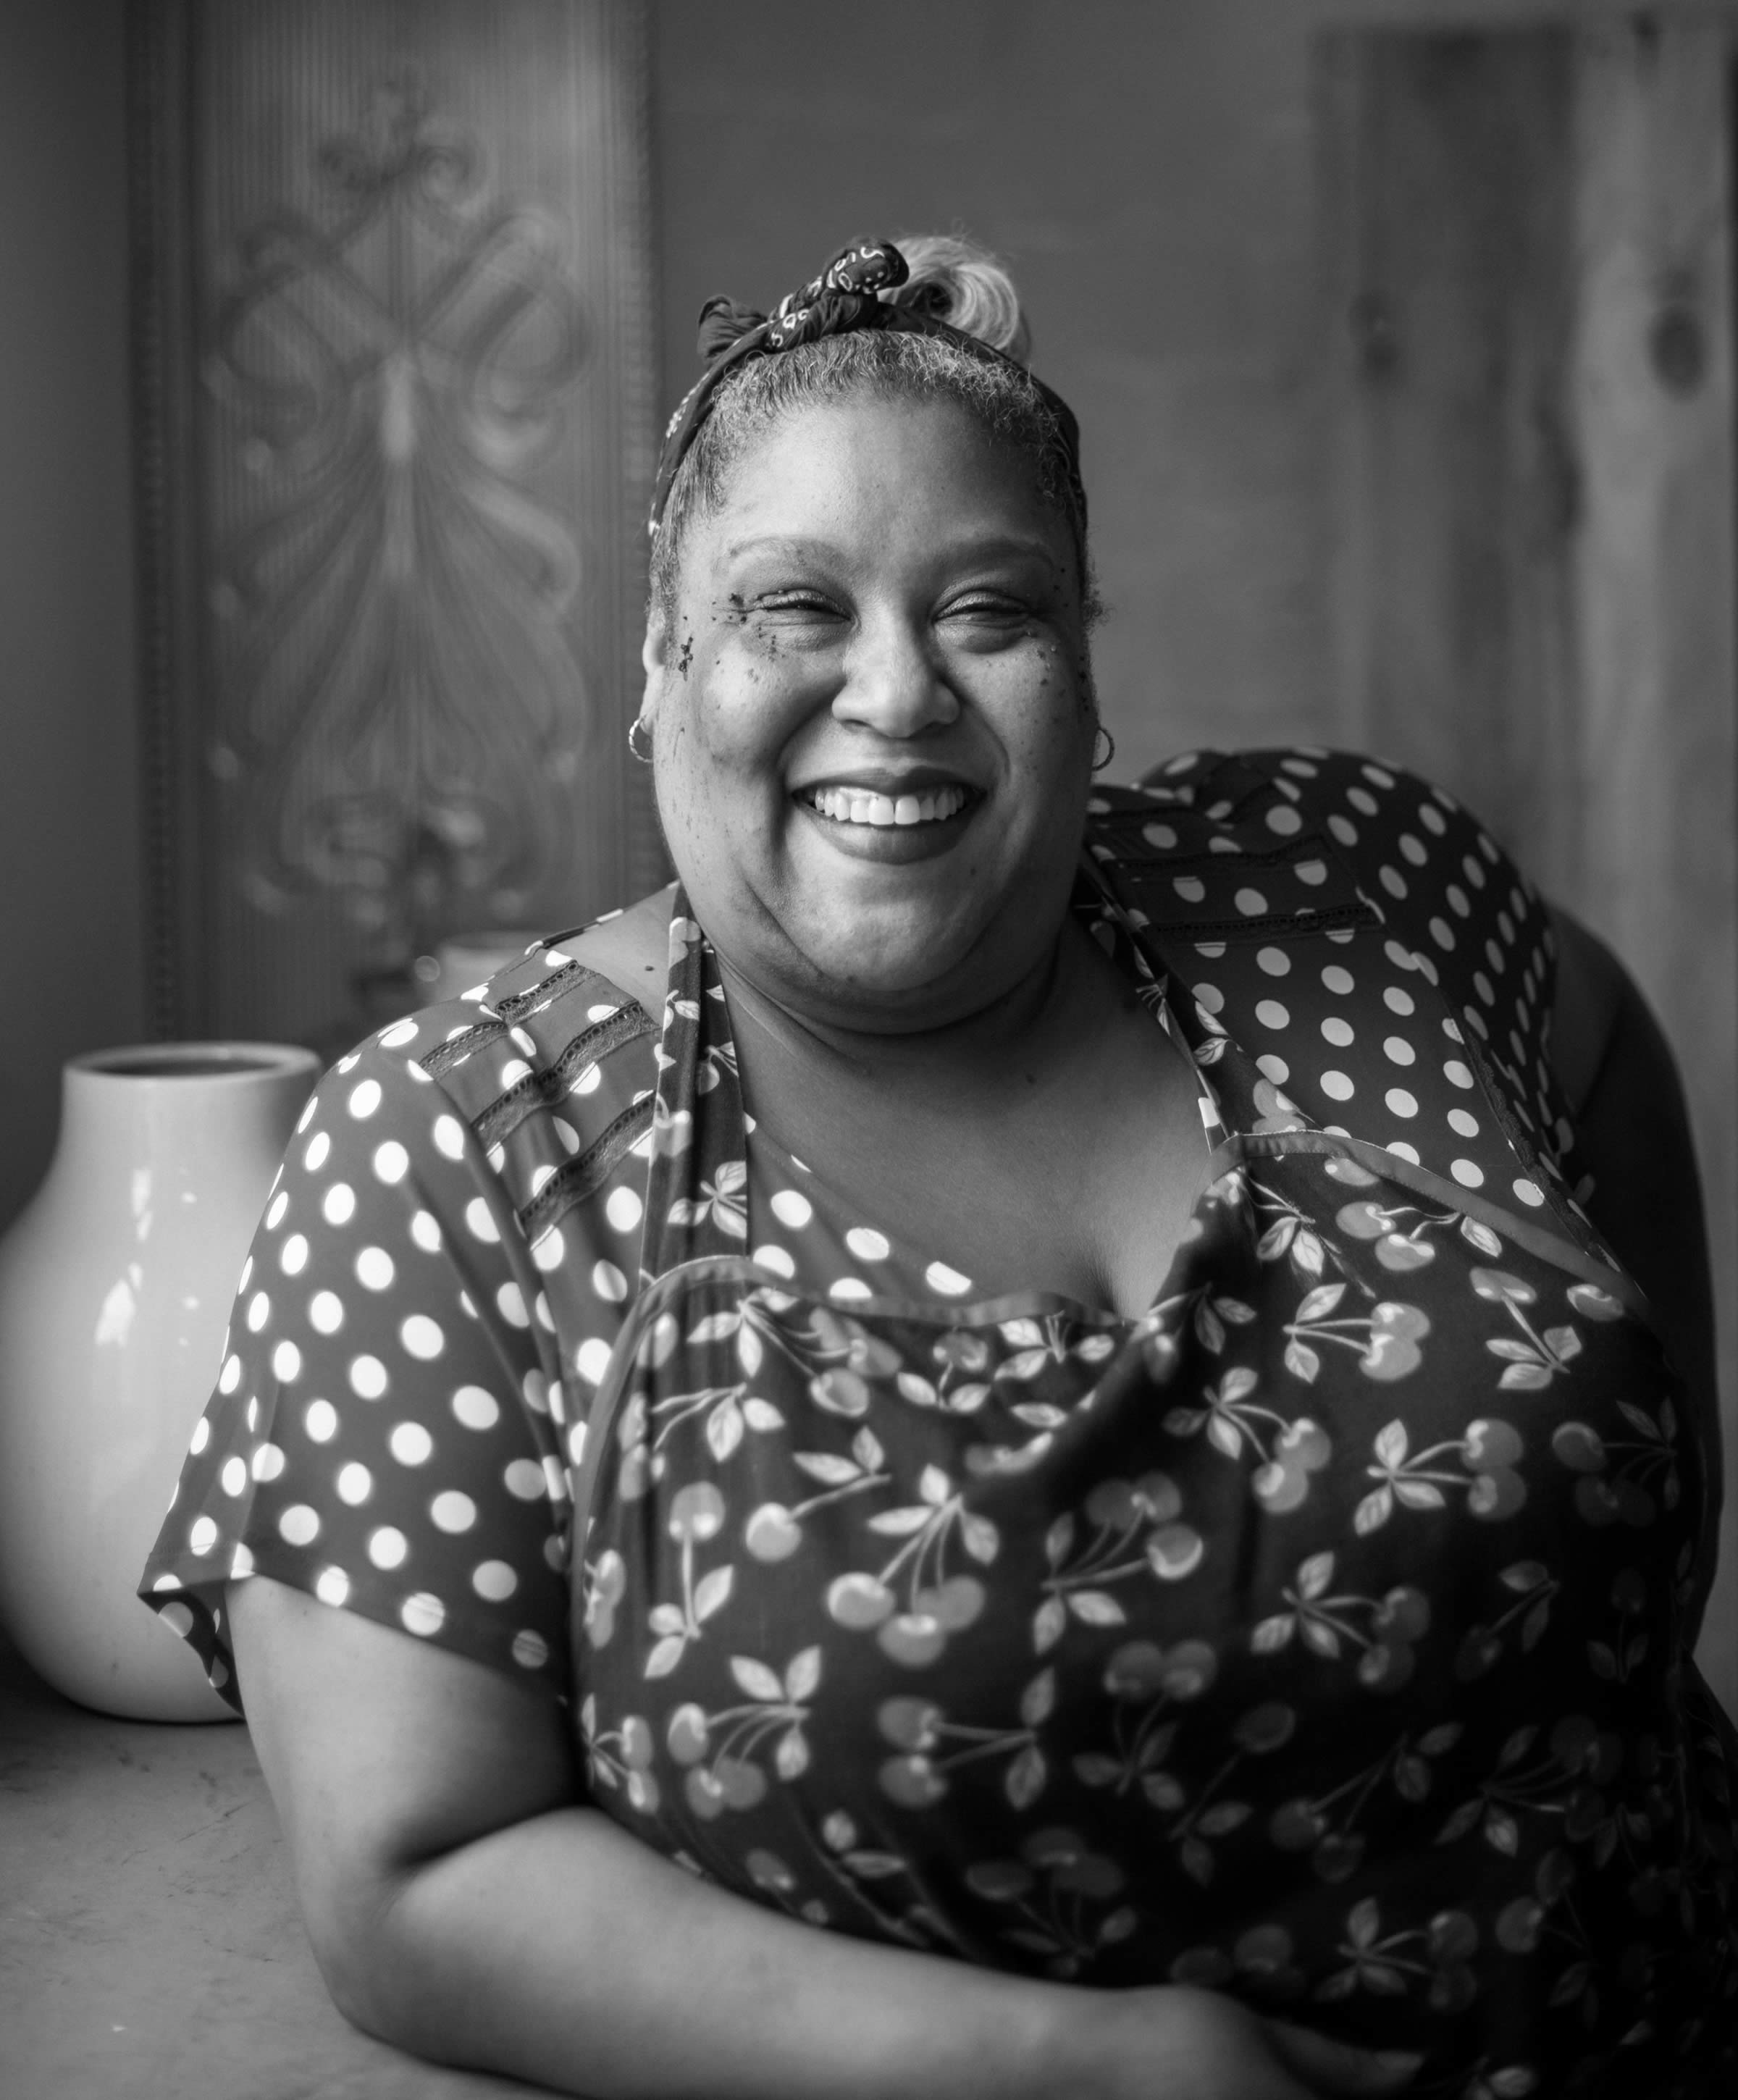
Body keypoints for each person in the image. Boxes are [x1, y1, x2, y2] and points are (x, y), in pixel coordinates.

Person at [141, 235, 1737, 2099]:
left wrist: (1640, 1546)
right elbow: (416, 1881)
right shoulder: (460, 1155)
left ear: (1083, 661)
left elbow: (1602, 1030)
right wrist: (1097, 2068)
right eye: (791, 606)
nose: (897, 692)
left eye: (992, 612)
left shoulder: (1334, 879)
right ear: (659, 673)